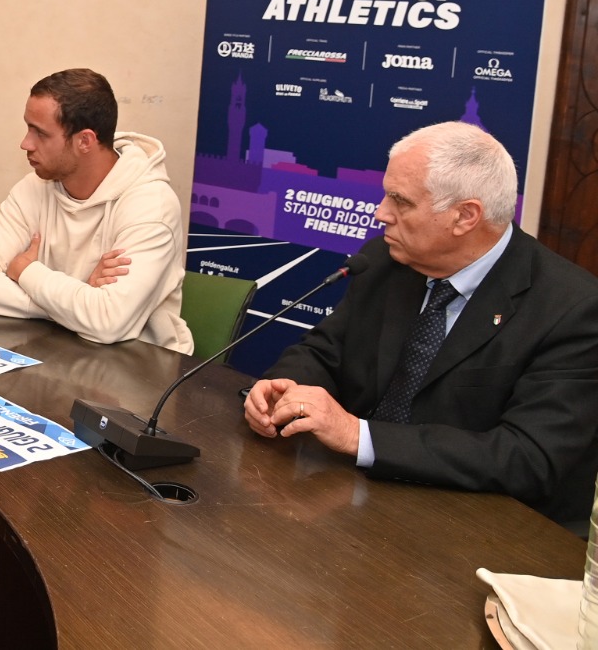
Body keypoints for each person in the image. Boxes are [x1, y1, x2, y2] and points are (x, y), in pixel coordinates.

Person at [244, 121, 598, 535]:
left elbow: (528, 458)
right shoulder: (386, 261)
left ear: (465, 216)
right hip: (351, 504)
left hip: (482, 530)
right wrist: (283, 389)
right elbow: (324, 351)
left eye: (400, 201)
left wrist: (359, 436)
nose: (380, 213)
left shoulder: (573, 309)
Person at [0, 68, 191, 352]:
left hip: (141, 365)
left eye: (40, 133)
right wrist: (77, 298)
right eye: (28, 128)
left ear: (84, 141)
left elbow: (107, 322)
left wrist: (25, 271)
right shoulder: (33, 188)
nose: (25, 143)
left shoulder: (151, 207)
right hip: (56, 352)